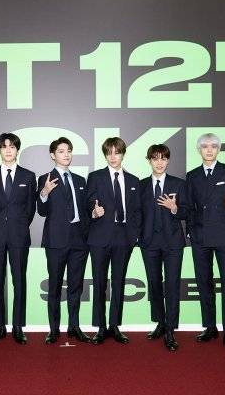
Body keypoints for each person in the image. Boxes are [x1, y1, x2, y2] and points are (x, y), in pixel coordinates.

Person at [185, 133, 225, 352]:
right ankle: (210, 327)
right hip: (200, 238)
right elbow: (189, 207)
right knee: (204, 283)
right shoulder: (192, 176)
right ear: (199, 150)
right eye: (205, 146)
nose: (209, 150)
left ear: (218, 149)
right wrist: (191, 232)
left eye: (213, 146)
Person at [86, 137, 141, 345]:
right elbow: (88, 202)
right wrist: (94, 211)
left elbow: (137, 210)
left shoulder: (134, 180)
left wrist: (134, 235)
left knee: (119, 282)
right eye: (109, 152)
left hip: (124, 237)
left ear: (123, 154)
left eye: (116, 152)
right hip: (99, 236)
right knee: (99, 282)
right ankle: (101, 327)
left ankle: (115, 326)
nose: (113, 156)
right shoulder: (95, 177)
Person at [0, 133, 37, 345]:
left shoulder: (28, 176)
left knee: (19, 280)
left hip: (19, 235)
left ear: (17, 150)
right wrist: (2, 224)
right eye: (4, 146)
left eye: (12, 146)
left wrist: (17, 225)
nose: (8, 150)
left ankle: (17, 326)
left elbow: (30, 210)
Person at [37, 137, 90, 344]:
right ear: (53, 155)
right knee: (55, 287)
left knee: (76, 287)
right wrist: (44, 192)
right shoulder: (45, 179)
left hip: (79, 241)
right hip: (56, 241)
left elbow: (85, 211)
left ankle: (74, 326)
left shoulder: (80, 180)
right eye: (61, 151)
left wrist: (94, 213)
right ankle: (54, 329)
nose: (66, 154)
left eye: (68, 150)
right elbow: (42, 211)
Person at [139, 144, 187, 351]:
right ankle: (160, 322)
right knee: (154, 284)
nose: (159, 162)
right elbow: (136, 214)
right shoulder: (140, 185)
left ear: (168, 161)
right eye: (155, 158)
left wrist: (174, 208)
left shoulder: (179, 184)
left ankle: (170, 329)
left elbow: (188, 211)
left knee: (172, 285)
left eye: (163, 158)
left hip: (173, 242)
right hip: (149, 243)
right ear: (149, 160)